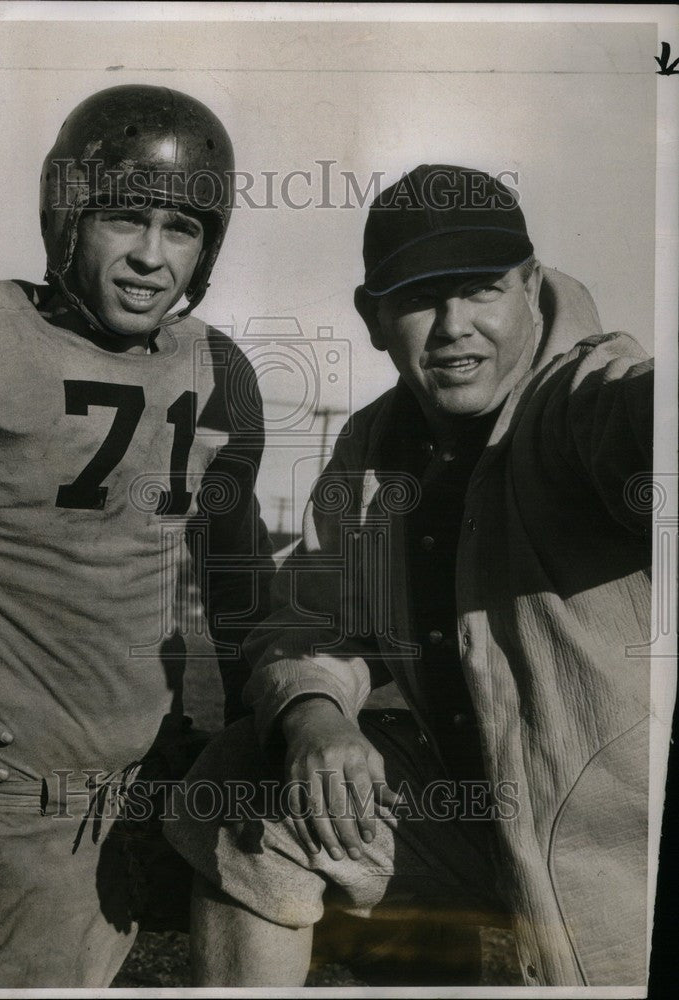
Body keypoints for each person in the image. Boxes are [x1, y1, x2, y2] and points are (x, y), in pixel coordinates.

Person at [163, 164, 655, 987]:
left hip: (621, 852)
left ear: (530, 287)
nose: (454, 327)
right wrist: (315, 717)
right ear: (372, 316)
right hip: (480, 825)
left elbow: (637, 421)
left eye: (481, 291)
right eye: (421, 299)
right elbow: (315, 616)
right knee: (248, 773)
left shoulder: (580, 399)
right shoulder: (375, 445)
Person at [0, 84, 273, 988]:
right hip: (11, 811)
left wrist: (279, 715)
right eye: (123, 219)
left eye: (180, 230)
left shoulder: (217, 368)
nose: (149, 257)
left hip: (158, 783)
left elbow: (239, 573)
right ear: (67, 217)